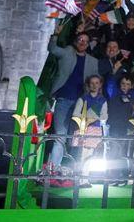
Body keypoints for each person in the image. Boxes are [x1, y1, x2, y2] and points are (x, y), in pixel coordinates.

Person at [47, 29, 99, 167]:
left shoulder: (93, 62)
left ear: (88, 45)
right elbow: (52, 49)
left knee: (78, 137)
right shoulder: (67, 52)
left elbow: (96, 83)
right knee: (60, 135)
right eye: (80, 39)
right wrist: (56, 35)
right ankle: (52, 169)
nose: (82, 43)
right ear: (76, 41)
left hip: (81, 104)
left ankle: (75, 170)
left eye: (85, 41)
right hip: (63, 99)